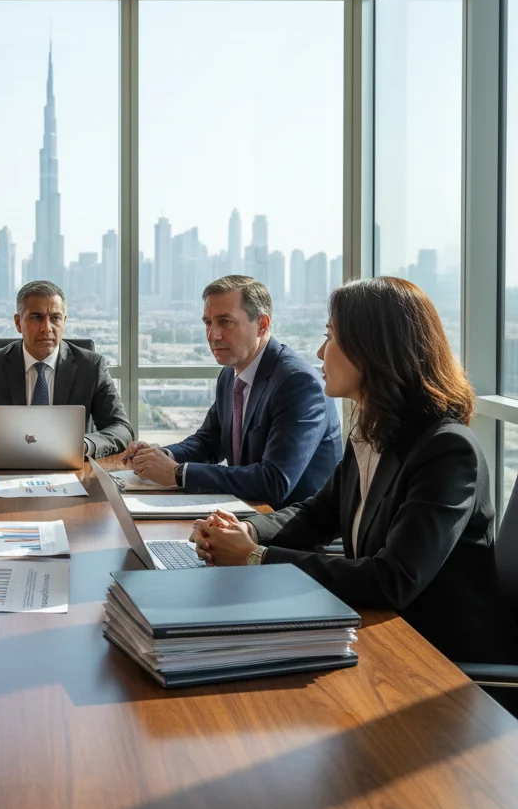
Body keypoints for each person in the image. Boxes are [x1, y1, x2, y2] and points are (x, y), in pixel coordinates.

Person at [190, 276, 518, 666]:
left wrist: (255, 556)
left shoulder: (446, 449)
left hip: (441, 667)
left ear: (372, 350)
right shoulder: (372, 432)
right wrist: (246, 530)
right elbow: (317, 514)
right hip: (380, 635)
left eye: (331, 337)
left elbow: (392, 579)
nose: (320, 351)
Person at [120, 275, 341, 509]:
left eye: (225, 322)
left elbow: (274, 481)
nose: (213, 335)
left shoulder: (297, 382)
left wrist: (178, 473)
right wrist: (160, 455)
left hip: (293, 530)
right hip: (247, 513)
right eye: (208, 322)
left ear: (262, 325)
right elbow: (208, 443)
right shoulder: (230, 374)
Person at [0, 279, 133, 459]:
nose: (47, 328)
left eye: (55, 318)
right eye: (36, 317)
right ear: (18, 323)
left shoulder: (91, 367)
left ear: (64, 321)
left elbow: (121, 428)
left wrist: (85, 446)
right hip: (5, 467)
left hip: (72, 469)